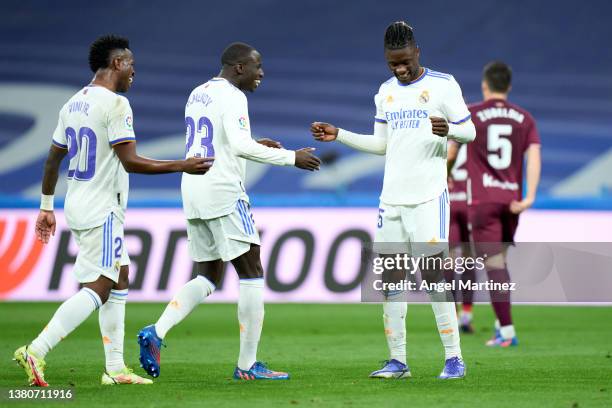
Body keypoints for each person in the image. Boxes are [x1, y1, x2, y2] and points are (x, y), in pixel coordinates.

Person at [13, 35, 212, 387]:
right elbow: (131, 161)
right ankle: (36, 349)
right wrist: (183, 164)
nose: (135, 71)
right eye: (131, 64)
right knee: (101, 285)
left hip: (77, 201)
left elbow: (52, 160)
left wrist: (46, 206)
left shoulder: (73, 103)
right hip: (103, 206)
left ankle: (116, 369)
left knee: (120, 276)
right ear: (117, 63)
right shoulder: (116, 105)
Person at [137, 42, 321, 381]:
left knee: (208, 276)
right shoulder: (235, 97)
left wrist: (254, 143)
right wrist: (291, 157)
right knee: (252, 270)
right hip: (222, 192)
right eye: (256, 65)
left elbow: (220, 142)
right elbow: (237, 144)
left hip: (193, 190)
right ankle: (248, 366)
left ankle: (156, 331)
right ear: (239, 67)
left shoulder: (198, 93)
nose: (261, 72)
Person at [311, 22, 475, 379]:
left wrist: (451, 130)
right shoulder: (385, 92)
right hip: (392, 199)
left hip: (429, 196)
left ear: (417, 52)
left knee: (433, 278)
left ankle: (454, 359)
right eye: (392, 64)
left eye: (404, 62)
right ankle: (398, 361)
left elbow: (470, 131)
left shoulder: (443, 85)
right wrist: (340, 135)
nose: (399, 69)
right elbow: (381, 145)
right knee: (390, 281)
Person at [465, 61, 541, 347]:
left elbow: (450, 153)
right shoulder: (525, 118)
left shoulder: (472, 114)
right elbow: (533, 156)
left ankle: (507, 333)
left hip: (483, 200)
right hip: (512, 201)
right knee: (501, 261)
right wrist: (529, 196)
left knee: (493, 262)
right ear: (508, 86)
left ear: (485, 85)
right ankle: (501, 325)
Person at [446, 141, 477, 333]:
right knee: (469, 258)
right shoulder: (473, 137)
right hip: (471, 201)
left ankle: (453, 315)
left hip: (448, 201)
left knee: (448, 259)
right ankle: (466, 314)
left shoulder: (438, 131)